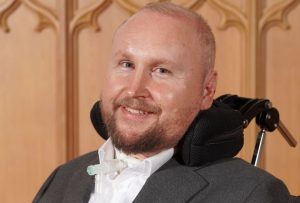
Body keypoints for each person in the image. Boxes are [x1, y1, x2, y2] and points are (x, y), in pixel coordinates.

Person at [33, 2, 293, 203]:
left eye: (161, 71)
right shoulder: (63, 179)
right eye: (126, 65)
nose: (135, 89)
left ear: (206, 91)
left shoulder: (252, 194)